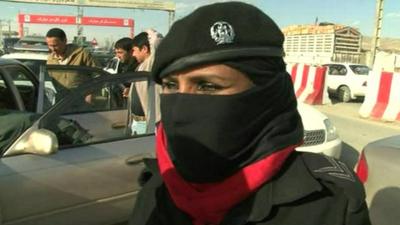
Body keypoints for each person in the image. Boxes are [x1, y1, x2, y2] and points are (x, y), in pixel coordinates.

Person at [129, 2, 371, 225]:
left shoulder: (331, 203)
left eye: (208, 86)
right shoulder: (155, 191)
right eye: (171, 85)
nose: (181, 107)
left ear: (266, 94)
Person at [46, 27, 99, 102]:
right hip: (61, 102)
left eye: (55, 45)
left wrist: (90, 93)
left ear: (65, 41)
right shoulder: (50, 59)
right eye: (49, 45)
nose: (53, 49)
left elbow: (98, 75)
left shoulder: (82, 54)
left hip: (81, 100)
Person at [128, 29, 163, 135]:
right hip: (137, 121)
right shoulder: (141, 66)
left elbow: (158, 44)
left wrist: (152, 33)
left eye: (134, 50)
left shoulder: (152, 63)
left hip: (147, 122)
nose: (133, 54)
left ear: (144, 49)